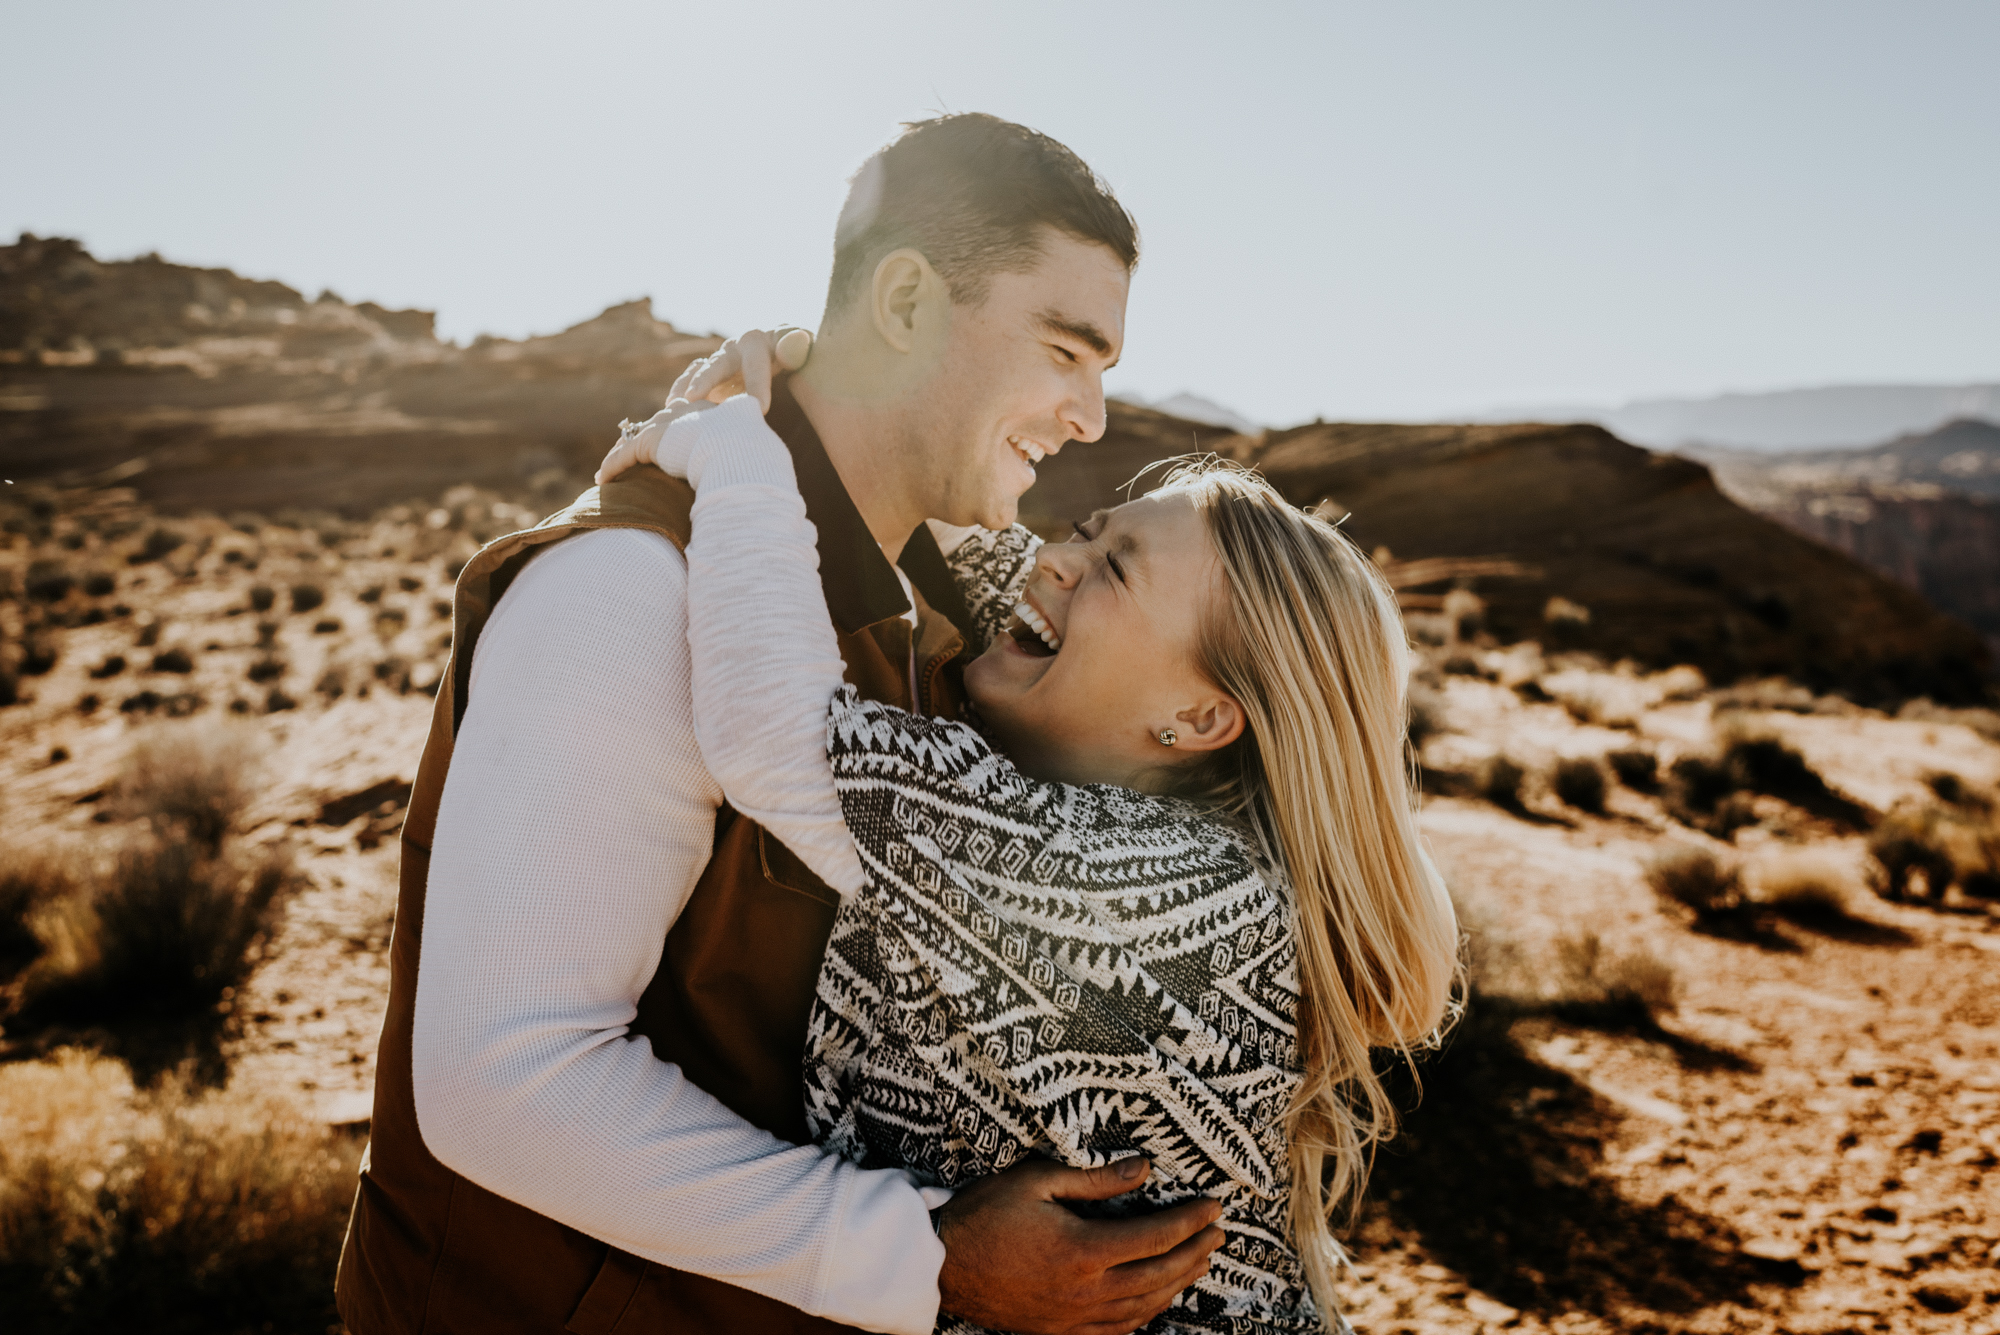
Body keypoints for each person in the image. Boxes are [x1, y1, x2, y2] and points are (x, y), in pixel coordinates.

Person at [335, 114, 1231, 1335]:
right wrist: (925, 1260)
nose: (1089, 417)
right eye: (1066, 351)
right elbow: (508, 1079)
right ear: (906, 300)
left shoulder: (921, 612)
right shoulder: (631, 591)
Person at [595, 352, 1463, 1332]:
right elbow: (967, 531)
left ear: (1198, 715)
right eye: (1087, 532)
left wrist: (727, 451)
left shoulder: (1155, 892)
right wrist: (818, 365)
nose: (1051, 558)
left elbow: (776, 732)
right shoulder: (1124, 769)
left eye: (1114, 569)